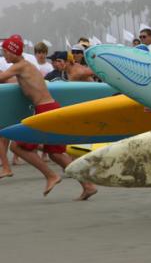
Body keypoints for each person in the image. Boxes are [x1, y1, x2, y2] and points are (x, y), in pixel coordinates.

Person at [0, 35, 97, 200]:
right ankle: (88, 185)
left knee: (17, 147)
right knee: (55, 154)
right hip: (49, 108)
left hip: (45, 110)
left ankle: (51, 175)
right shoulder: (25, 66)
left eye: (5, 51)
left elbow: (1, 78)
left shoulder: (20, 65)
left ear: (12, 51)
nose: (3, 54)